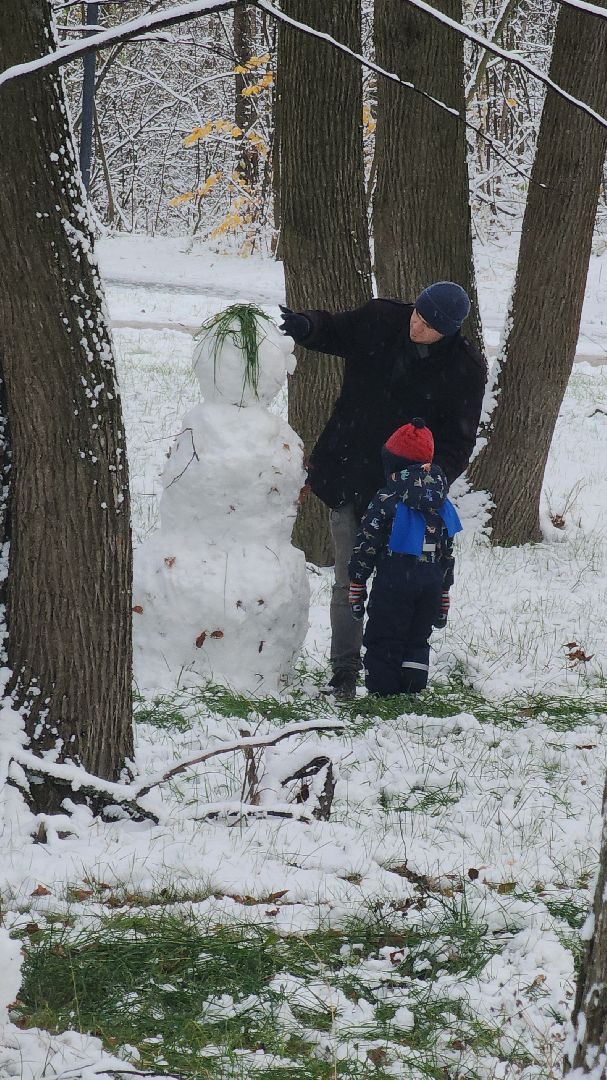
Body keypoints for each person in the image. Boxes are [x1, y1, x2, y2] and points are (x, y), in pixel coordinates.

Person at [279, 281, 486, 700]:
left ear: (448, 331)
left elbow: (459, 442)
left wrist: (433, 478)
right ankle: (344, 671)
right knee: (348, 577)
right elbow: (335, 331)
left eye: (427, 325)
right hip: (349, 468)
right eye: (416, 314)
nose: (415, 326)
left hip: (409, 497)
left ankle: (394, 671)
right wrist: (307, 327)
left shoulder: (465, 368)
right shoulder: (382, 320)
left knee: (401, 586)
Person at [347, 419, 461, 697]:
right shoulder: (441, 501)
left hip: (395, 578)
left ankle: (383, 690)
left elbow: (367, 542)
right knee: (417, 635)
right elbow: (447, 548)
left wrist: (357, 581)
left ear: (392, 464)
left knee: (385, 633)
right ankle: (412, 686)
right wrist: (444, 588)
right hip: (431, 579)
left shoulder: (387, 498)